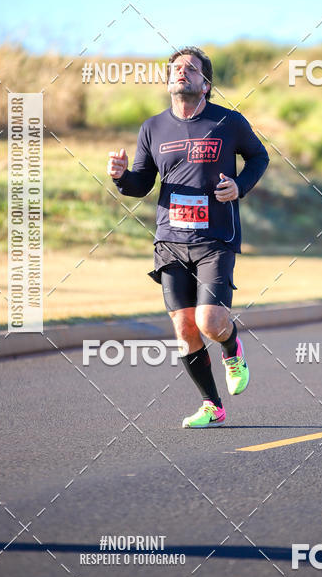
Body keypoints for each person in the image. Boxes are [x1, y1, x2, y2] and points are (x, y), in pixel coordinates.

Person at [107, 46, 269, 426]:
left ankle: (232, 349)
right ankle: (213, 406)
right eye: (176, 69)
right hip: (170, 240)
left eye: (191, 69)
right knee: (184, 328)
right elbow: (141, 184)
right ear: (168, 81)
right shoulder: (153, 128)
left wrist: (239, 187)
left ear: (206, 84)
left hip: (215, 239)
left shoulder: (228, 122)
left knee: (210, 322)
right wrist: (120, 176)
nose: (182, 73)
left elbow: (259, 157)